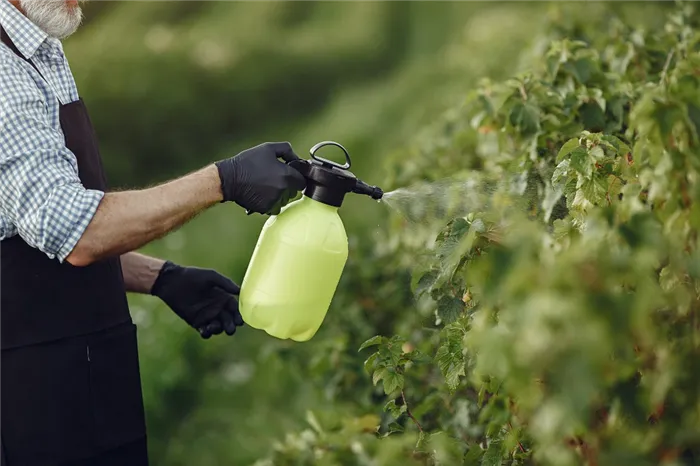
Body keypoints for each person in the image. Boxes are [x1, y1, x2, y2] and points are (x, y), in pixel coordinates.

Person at [0, 0, 307, 464]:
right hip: (32, 404)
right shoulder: (3, 73)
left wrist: (161, 277)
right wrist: (222, 181)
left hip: (82, 382)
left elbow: (35, 235)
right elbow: (79, 230)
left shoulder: (40, 51)